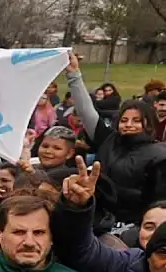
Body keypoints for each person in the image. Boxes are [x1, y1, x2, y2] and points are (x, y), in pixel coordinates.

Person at [65, 53, 166, 227]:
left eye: (136, 121)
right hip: (98, 220)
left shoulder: (160, 155)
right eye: (124, 120)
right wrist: (74, 74)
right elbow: (86, 111)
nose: (129, 125)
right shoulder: (108, 139)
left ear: (149, 124)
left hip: (134, 227)